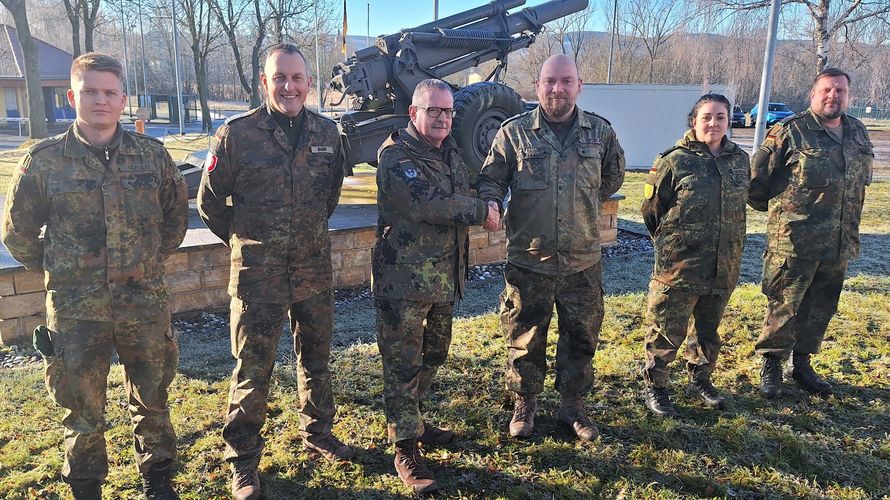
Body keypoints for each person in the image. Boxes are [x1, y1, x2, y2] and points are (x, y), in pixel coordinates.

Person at [1, 52, 188, 500]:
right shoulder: (44, 161)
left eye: (109, 92)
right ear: (72, 96)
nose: (100, 100)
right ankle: (86, 487)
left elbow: (174, 223)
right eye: (90, 92)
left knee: (153, 400)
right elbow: (17, 231)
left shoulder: (153, 157)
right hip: (76, 311)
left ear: (123, 99)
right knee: (81, 410)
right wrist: (62, 271)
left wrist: (142, 264)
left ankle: (158, 479)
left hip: (143, 304)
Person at [196, 43, 349, 500]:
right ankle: (243, 461)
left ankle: (318, 432)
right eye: (279, 77)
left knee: (317, 361)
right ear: (264, 82)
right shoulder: (236, 135)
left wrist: (300, 237)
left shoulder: (327, 132)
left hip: (312, 271)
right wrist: (246, 243)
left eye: (297, 77)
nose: (289, 86)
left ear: (308, 83)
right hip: (257, 276)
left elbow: (330, 196)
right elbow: (209, 203)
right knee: (253, 371)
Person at [477, 54, 625, 442]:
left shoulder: (600, 132)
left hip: (582, 261)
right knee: (524, 337)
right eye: (549, 82)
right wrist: (491, 203)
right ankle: (525, 403)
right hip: (529, 260)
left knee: (581, 337)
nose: (557, 89)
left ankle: (572, 405)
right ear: (537, 86)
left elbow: (610, 179)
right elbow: (491, 179)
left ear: (579, 86)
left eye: (565, 81)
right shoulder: (513, 133)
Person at [373, 78, 500, 494]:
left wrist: (490, 195)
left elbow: (466, 186)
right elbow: (428, 204)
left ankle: (415, 419)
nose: (443, 118)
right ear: (414, 113)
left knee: (434, 354)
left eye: (448, 111)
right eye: (434, 110)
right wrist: (482, 210)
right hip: (404, 284)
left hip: (444, 279)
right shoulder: (395, 156)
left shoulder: (450, 152)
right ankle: (405, 446)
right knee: (403, 366)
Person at [748, 68, 873, 398]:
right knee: (784, 306)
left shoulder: (858, 132)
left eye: (841, 91)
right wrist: (784, 219)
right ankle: (772, 364)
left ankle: (801, 363)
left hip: (839, 242)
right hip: (795, 242)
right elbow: (756, 181)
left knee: (821, 307)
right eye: (827, 90)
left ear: (849, 96)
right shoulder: (791, 131)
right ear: (813, 94)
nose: (834, 96)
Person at [639, 94, 750, 416]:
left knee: (707, 331)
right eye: (707, 117)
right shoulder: (673, 161)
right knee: (665, 330)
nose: (713, 123)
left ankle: (701, 379)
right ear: (694, 121)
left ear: (729, 121)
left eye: (720, 117)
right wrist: (674, 247)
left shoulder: (739, 160)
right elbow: (652, 212)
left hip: (723, 265)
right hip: (679, 267)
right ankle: (656, 386)